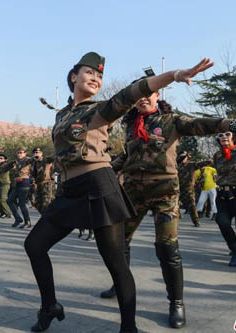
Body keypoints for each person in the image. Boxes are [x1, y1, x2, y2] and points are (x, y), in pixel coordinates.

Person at [24, 52, 215, 333]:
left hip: (100, 188)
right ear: (73, 76)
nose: (96, 78)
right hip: (70, 191)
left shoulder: (99, 110)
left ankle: (129, 328)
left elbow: (133, 92)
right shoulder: (62, 114)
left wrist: (174, 75)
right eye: (90, 73)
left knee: (115, 262)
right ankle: (49, 306)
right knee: (34, 245)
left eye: (100, 76)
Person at [100, 68, 234, 329]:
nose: (142, 98)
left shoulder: (172, 120)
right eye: (138, 94)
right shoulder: (131, 125)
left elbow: (201, 124)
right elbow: (126, 156)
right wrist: (104, 170)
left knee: (167, 248)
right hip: (133, 194)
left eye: (147, 92)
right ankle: (120, 284)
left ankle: (176, 303)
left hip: (164, 192)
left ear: (157, 93)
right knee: (119, 243)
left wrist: (231, 124)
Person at [213, 131, 236, 266]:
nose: (223, 137)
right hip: (222, 195)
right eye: (220, 135)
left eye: (227, 134)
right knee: (222, 221)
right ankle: (234, 248)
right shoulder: (217, 155)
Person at [177, 152, 210, 227]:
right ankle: (176, 217)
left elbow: (201, 164)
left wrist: (210, 161)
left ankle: (196, 221)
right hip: (177, 188)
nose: (182, 159)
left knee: (192, 205)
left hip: (188, 189)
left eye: (184, 157)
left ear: (187, 158)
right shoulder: (177, 166)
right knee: (174, 203)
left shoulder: (191, 165)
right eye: (181, 157)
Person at [2, 147, 33, 228]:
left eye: (21, 152)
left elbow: (33, 160)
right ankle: (18, 219)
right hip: (17, 183)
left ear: (25, 153)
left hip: (25, 183)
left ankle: (27, 222)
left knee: (22, 204)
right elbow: (5, 168)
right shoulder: (16, 161)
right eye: (18, 152)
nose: (19, 154)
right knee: (9, 200)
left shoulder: (28, 160)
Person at [30, 147, 55, 215]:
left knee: (46, 204)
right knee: (37, 204)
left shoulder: (45, 160)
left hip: (46, 184)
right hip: (38, 185)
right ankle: (47, 218)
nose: (36, 154)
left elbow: (52, 158)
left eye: (37, 152)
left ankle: (48, 221)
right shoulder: (34, 162)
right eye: (34, 153)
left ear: (41, 153)